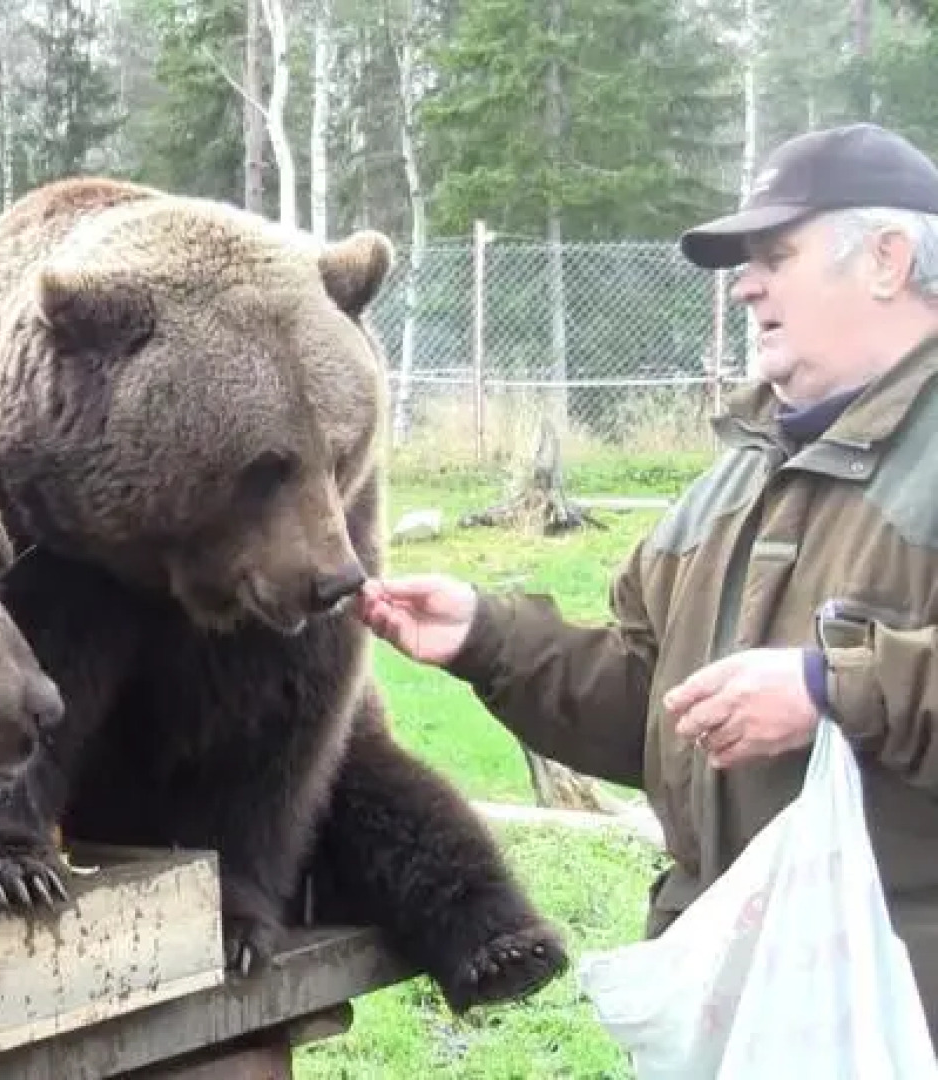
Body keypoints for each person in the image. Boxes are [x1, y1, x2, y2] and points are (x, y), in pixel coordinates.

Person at [356, 121, 938, 1039]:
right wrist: (488, 639)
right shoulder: (733, 481)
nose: (744, 285)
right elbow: (656, 707)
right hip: (748, 1000)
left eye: (775, 257)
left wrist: (833, 688)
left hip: (900, 1006)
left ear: (887, 260)